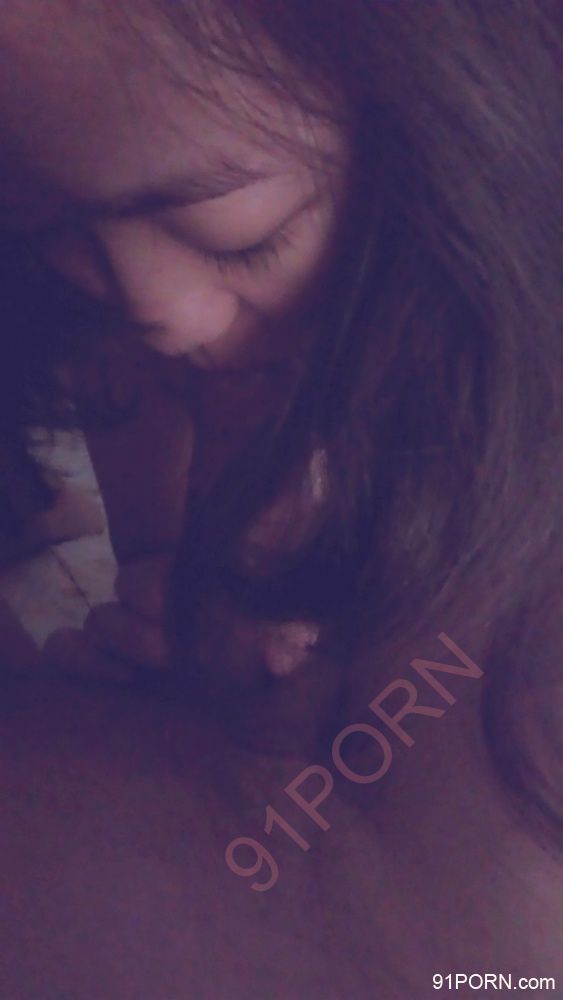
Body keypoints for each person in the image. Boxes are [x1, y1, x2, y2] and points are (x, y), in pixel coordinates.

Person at [0, 1, 562, 996]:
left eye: (241, 239)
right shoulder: (144, 339)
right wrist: (177, 633)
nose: (157, 313)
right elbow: (172, 576)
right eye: (55, 228)